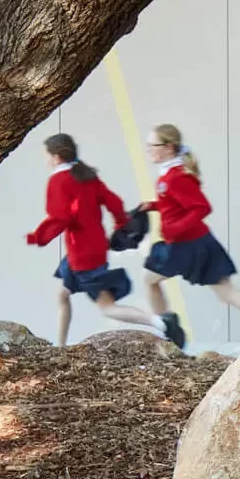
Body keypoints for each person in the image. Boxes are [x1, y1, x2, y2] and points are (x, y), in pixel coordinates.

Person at [27, 133, 187, 351]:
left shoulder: (59, 180)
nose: (46, 160)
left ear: (56, 157)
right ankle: (61, 346)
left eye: (47, 156)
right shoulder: (86, 176)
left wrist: (38, 237)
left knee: (108, 308)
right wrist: (121, 223)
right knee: (62, 294)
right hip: (93, 248)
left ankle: (161, 322)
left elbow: (60, 218)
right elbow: (114, 201)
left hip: (81, 255)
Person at [140, 124, 240, 340]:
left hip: (184, 245)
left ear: (169, 147)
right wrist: (154, 205)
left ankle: (168, 326)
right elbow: (177, 205)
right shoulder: (170, 174)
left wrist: (175, 229)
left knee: (149, 280)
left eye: (153, 145)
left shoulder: (175, 177)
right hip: (198, 243)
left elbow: (201, 207)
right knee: (225, 292)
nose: (149, 149)